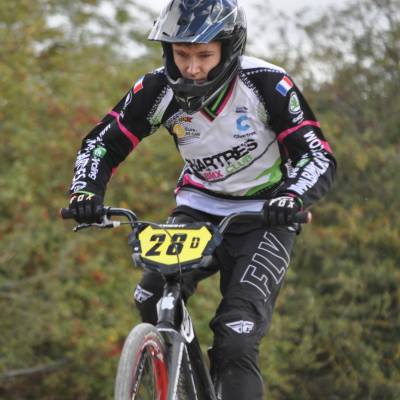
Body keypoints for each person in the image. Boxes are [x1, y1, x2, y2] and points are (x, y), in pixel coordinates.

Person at [66, 0, 336, 398]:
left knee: (236, 337)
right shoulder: (157, 89)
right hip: (198, 208)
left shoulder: (266, 84)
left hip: (264, 217)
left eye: (204, 56)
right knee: (149, 297)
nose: (192, 68)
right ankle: (180, 376)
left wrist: (294, 196)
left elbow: (317, 155)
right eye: (182, 54)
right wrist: (86, 190)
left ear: (228, 49)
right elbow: (102, 144)